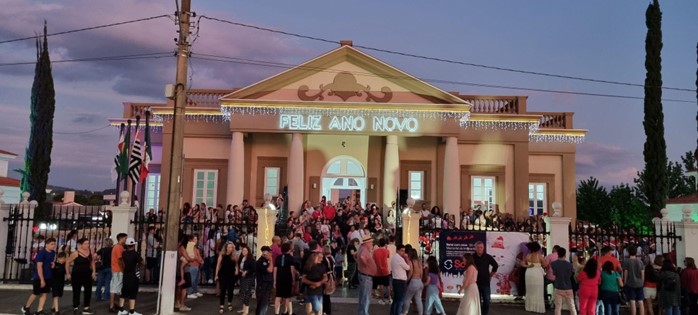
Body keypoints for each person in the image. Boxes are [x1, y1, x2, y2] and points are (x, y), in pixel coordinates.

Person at [22, 237, 57, 315]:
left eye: (54, 244)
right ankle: (26, 307)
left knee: (45, 293)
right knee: (36, 293)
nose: (53, 245)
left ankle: (40, 310)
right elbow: (39, 267)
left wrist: (53, 264)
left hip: (48, 276)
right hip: (39, 277)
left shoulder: (53, 253)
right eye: (52, 244)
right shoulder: (41, 253)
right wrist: (42, 279)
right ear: (47, 245)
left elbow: (52, 262)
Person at [65, 238, 96, 315]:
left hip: (87, 274)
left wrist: (94, 271)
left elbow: (92, 262)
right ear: (81, 245)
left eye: (88, 243)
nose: (87, 245)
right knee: (76, 291)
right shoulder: (76, 253)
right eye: (85, 244)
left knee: (88, 290)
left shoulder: (90, 252)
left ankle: (86, 307)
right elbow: (67, 262)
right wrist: (68, 273)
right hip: (77, 274)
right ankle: (75, 307)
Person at [117, 238, 143, 315]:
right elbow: (142, 262)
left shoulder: (124, 253)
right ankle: (131, 311)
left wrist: (123, 269)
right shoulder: (135, 254)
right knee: (133, 293)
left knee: (124, 292)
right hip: (133, 275)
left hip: (126, 275)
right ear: (134, 245)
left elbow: (120, 261)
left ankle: (120, 309)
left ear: (127, 245)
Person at [473, 241, 498, 315]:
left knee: (487, 300)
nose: (479, 249)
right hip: (475, 282)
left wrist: (490, 275)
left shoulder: (488, 257)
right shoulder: (472, 257)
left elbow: (495, 266)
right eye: (478, 247)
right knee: (476, 301)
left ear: (483, 248)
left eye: (481, 247)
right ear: (475, 248)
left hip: (485, 282)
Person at [550, 247, 576, 315]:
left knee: (558, 307)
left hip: (558, 286)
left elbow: (554, 273)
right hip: (568, 287)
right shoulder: (569, 265)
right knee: (572, 306)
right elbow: (571, 274)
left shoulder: (553, 264)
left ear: (558, 254)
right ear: (565, 254)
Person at [356, 234, 377, 315]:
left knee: (363, 297)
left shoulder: (362, 249)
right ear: (367, 243)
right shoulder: (364, 250)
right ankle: (364, 313)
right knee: (366, 297)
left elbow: (357, 256)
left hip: (364, 275)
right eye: (371, 242)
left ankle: (362, 312)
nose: (371, 244)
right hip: (366, 276)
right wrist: (365, 264)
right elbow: (362, 257)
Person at [524, 242, 547, 313]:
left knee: (530, 290)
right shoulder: (539, 256)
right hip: (537, 273)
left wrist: (528, 266)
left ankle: (529, 307)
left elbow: (522, 264)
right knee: (538, 290)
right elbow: (545, 264)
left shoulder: (527, 255)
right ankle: (537, 307)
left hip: (529, 273)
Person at [274, 242, 296, 315]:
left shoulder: (278, 257)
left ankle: (276, 313)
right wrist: (293, 279)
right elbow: (292, 270)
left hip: (279, 278)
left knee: (278, 296)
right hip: (287, 279)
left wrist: (274, 280)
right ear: (289, 249)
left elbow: (275, 269)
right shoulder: (290, 258)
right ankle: (289, 312)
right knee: (287, 296)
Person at [622, 245, 645, 315]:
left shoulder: (626, 261)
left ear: (628, 252)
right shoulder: (640, 262)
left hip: (630, 283)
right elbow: (642, 273)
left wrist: (625, 282)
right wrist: (642, 282)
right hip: (639, 283)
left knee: (632, 301)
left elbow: (626, 273)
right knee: (641, 302)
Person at [215, 242, 237, 313]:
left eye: (231, 247)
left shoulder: (234, 255)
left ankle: (229, 303)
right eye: (229, 247)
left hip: (231, 274)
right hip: (223, 274)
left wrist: (237, 270)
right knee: (223, 290)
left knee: (231, 290)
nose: (230, 248)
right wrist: (216, 275)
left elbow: (236, 264)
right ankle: (221, 305)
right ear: (226, 247)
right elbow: (218, 265)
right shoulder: (222, 255)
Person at [402, 248, 424, 315]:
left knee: (407, 298)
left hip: (413, 281)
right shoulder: (418, 261)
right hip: (420, 281)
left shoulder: (410, 261)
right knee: (418, 299)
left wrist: (406, 280)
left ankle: (404, 312)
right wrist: (420, 279)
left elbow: (411, 272)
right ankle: (421, 313)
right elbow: (421, 272)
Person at [110, 233, 128, 313]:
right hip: (118, 270)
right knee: (115, 288)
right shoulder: (118, 248)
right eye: (125, 238)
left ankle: (114, 304)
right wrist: (122, 270)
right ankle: (112, 306)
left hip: (116, 270)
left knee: (116, 288)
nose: (126, 240)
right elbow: (119, 260)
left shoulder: (119, 247)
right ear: (121, 238)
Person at [390, 245, 411, 315]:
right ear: (397, 250)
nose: (403, 252)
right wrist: (407, 258)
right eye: (401, 251)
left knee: (396, 299)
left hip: (396, 280)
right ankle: (398, 313)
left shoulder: (394, 258)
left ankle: (393, 312)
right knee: (400, 300)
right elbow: (408, 267)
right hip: (400, 281)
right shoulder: (400, 259)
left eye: (404, 251)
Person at [255, 246, 275, 315]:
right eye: (270, 252)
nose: (271, 254)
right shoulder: (261, 262)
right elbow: (270, 270)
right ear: (265, 252)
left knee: (263, 305)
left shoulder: (266, 261)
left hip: (266, 286)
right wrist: (271, 260)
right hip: (262, 287)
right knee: (262, 306)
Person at [237, 244, 255, 315]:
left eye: (245, 250)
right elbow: (239, 267)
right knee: (243, 292)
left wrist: (247, 271)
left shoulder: (250, 259)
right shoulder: (242, 258)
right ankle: (243, 308)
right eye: (243, 250)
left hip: (248, 277)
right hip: (242, 277)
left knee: (246, 292)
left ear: (248, 251)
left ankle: (246, 310)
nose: (243, 252)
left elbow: (253, 268)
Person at [373, 238, 391, 305]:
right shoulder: (387, 251)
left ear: (379, 243)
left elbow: (373, 259)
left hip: (378, 270)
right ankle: (389, 298)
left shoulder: (375, 252)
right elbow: (388, 257)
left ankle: (383, 299)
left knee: (381, 285)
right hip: (385, 270)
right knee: (387, 285)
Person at [322, 245, 335, 315]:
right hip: (331, 277)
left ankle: (325, 311)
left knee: (325, 295)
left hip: (326, 277)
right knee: (327, 296)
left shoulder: (325, 259)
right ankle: (327, 311)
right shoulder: (331, 258)